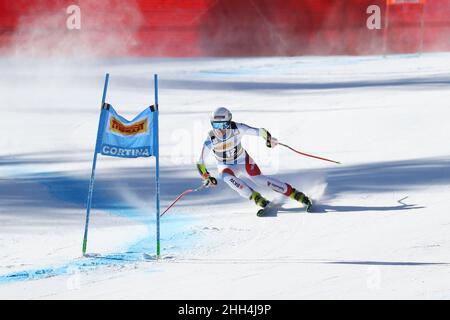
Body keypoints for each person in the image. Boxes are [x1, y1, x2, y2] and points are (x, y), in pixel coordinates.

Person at [197, 107, 312, 216]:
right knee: (226, 177)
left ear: (229, 121)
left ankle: (294, 193)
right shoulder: (210, 139)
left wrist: (269, 139)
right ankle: (257, 198)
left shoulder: (237, 128)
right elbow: (200, 162)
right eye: (216, 125)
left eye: (224, 125)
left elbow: (260, 131)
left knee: (260, 180)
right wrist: (206, 177)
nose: (220, 129)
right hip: (225, 165)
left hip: (243, 161)